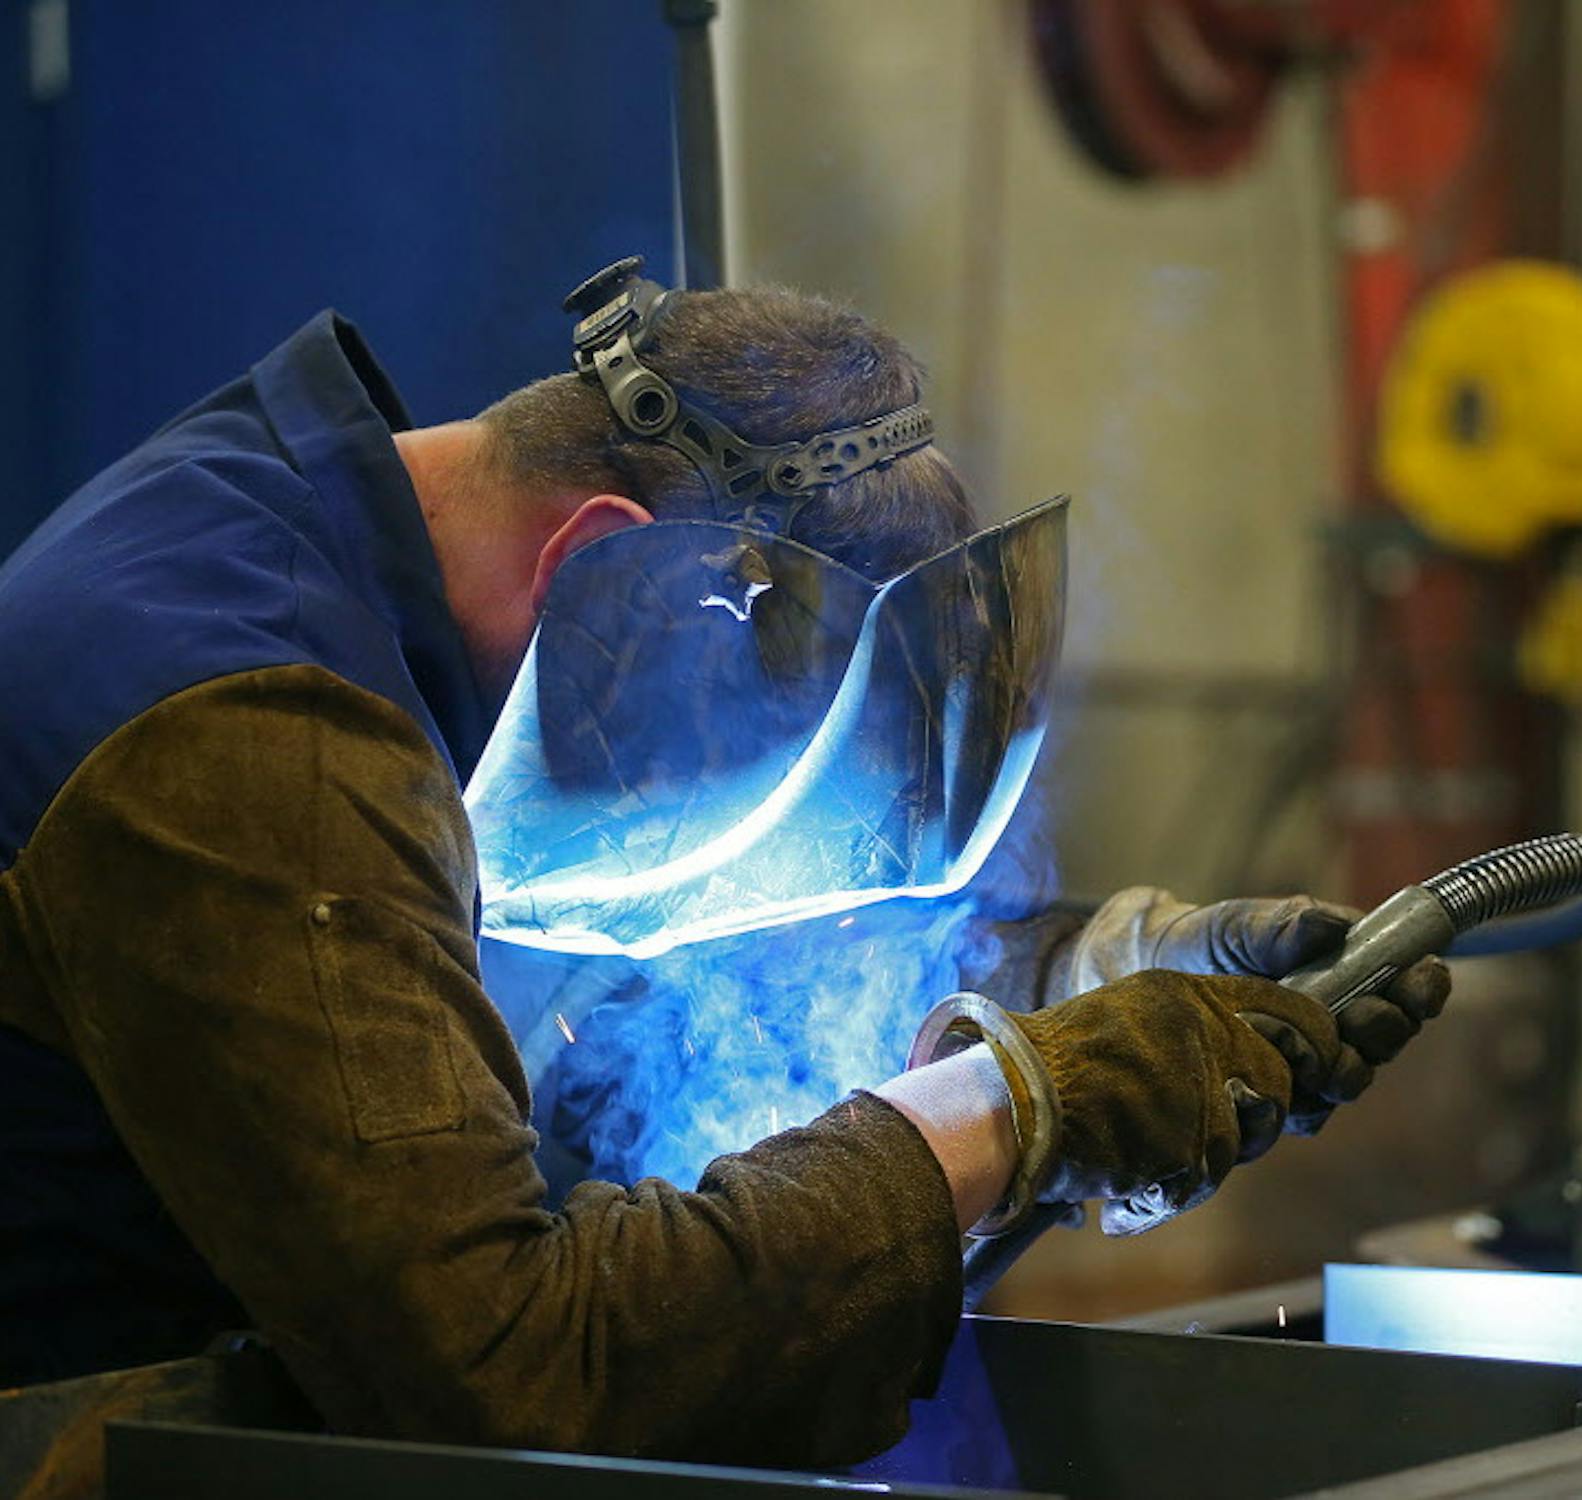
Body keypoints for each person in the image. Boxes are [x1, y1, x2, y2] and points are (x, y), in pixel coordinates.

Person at [0, 260, 1446, 1465]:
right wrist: (1017, 1107)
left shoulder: (351, 583)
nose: (706, 867)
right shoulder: (255, 739)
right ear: (616, 581)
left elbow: (660, 1006)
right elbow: (513, 1368)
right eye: (723, 795)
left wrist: (1092, 983)